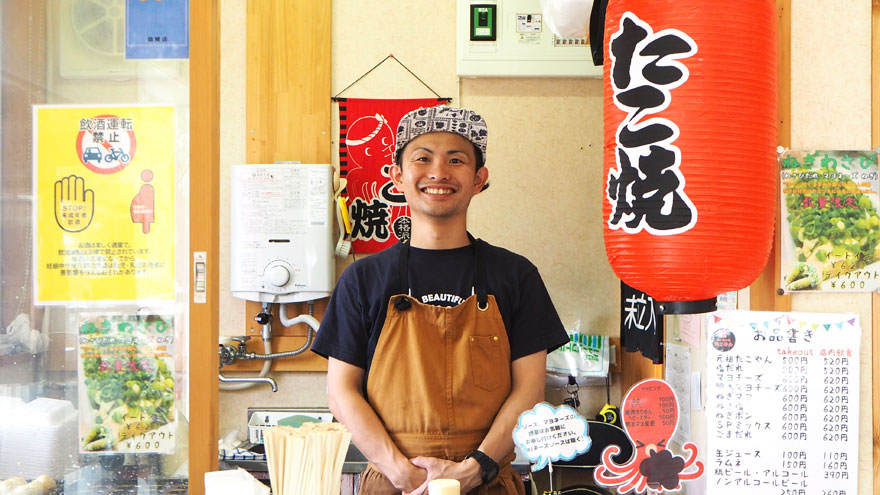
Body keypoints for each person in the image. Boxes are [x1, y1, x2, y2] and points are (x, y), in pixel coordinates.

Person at [312, 106, 569, 495]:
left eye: (456, 160)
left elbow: (529, 392)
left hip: (488, 482)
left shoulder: (516, 275)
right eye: (422, 158)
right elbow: (341, 391)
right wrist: (399, 469)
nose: (438, 172)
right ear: (398, 176)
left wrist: (475, 467)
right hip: (395, 482)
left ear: (479, 179)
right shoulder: (363, 279)